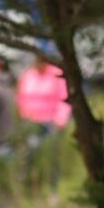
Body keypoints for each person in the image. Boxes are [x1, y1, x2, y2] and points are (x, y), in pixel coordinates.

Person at [16, 56, 70, 197]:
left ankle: (53, 190)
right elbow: (21, 98)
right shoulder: (28, 76)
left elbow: (64, 98)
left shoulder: (56, 75)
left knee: (52, 155)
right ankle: (27, 187)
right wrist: (25, 116)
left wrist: (61, 118)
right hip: (32, 121)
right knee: (28, 153)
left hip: (51, 122)